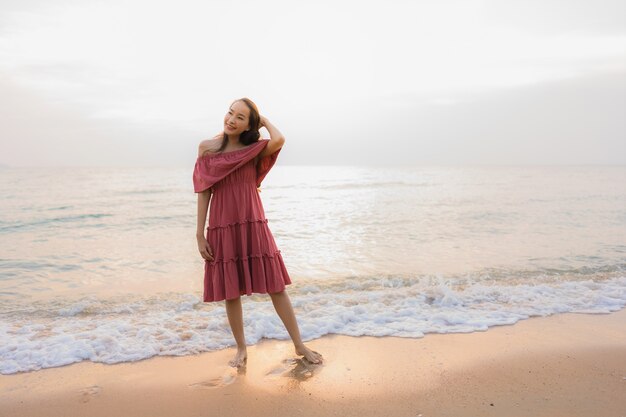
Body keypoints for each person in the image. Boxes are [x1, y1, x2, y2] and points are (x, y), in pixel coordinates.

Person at [193, 97, 323, 368]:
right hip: (222, 224)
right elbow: (204, 191)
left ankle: (299, 344)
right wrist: (199, 233)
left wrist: (263, 120)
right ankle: (241, 348)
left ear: (249, 125)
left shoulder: (254, 149)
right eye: (230, 113)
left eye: (241, 117)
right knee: (231, 291)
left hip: (253, 222)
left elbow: (279, 140)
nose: (232, 120)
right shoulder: (207, 149)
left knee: (276, 286)